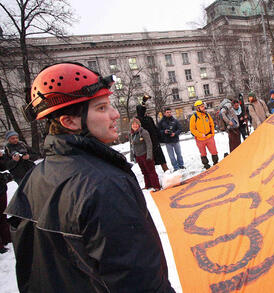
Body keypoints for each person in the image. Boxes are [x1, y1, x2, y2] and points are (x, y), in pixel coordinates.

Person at [5, 62, 175, 292]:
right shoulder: (104, 186)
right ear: (70, 121)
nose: (115, 114)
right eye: (102, 108)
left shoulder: (33, 180)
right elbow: (139, 281)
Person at [136, 96, 169, 172]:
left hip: (155, 142)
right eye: (143, 110)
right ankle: (154, 178)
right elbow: (141, 112)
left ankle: (167, 173)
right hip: (147, 144)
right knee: (150, 162)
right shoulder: (138, 120)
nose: (145, 111)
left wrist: (160, 137)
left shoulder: (149, 118)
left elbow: (155, 129)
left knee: (162, 159)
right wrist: (143, 102)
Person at [130, 118, 161, 191]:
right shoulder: (131, 134)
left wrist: (149, 155)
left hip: (145, 155)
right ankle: (148, 185)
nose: (135, 125)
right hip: (138, 155)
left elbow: (149, 144)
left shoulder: (143, 132)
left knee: (151, 171)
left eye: (136, 124)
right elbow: (131, 146)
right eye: (133, 124)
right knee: (144, 172)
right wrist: (132, 155)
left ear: (139, 124)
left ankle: (156, 186)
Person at [189, 100, 218, 169]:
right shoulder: (193, 117)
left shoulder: (207, 115)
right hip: (200, 139)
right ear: (197, 108)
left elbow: (212, 124)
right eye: (202, 107)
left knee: (214, 151)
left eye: (203, 106)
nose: (204, 108)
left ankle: (216, 163)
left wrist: (212, 133)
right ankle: (206, 165)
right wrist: (200, 135)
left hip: (209, 137)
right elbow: (192, 129)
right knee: (203, 153)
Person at [0, 152, 12, 254]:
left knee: (3, 215)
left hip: (1, 190)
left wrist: (1, 157)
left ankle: (7, 238)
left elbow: (4, 167)